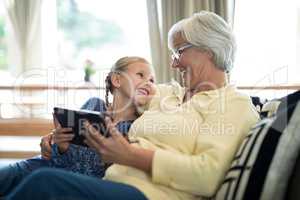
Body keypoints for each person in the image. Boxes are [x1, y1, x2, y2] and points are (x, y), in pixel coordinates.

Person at [6, 11, 259, 200]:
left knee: (45, 183)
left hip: (151, 195)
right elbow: (122, 92)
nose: (173, 64)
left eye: (179, 52)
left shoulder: (233, 104)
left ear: (209, 49)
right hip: (113, 181)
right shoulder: (168, 94)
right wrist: (57, 138)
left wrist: (130, 156)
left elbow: (207, 175)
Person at [0, 56, 155, 197]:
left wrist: (64, 150)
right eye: (141, 75)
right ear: (117, 80)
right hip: (38, 166)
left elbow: (96, 176)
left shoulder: (137, 127)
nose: (148, 82)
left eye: (152, 80)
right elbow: (54, 155)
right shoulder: (94, 105)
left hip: (62, 181)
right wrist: (58, 145)